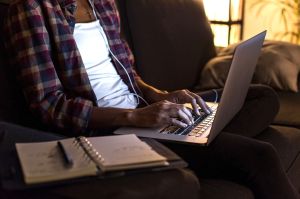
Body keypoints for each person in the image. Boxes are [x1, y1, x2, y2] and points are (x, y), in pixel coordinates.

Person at [3, 0, 299, 198]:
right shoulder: (29, 10)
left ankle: (198, 139)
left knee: (261, 96)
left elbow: (128, 75)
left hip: (145, 113)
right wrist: (134, 118)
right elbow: (49, 105)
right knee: (261, 156)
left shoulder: (103, 3)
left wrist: (162, 96)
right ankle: (198, 142)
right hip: (109, 129)